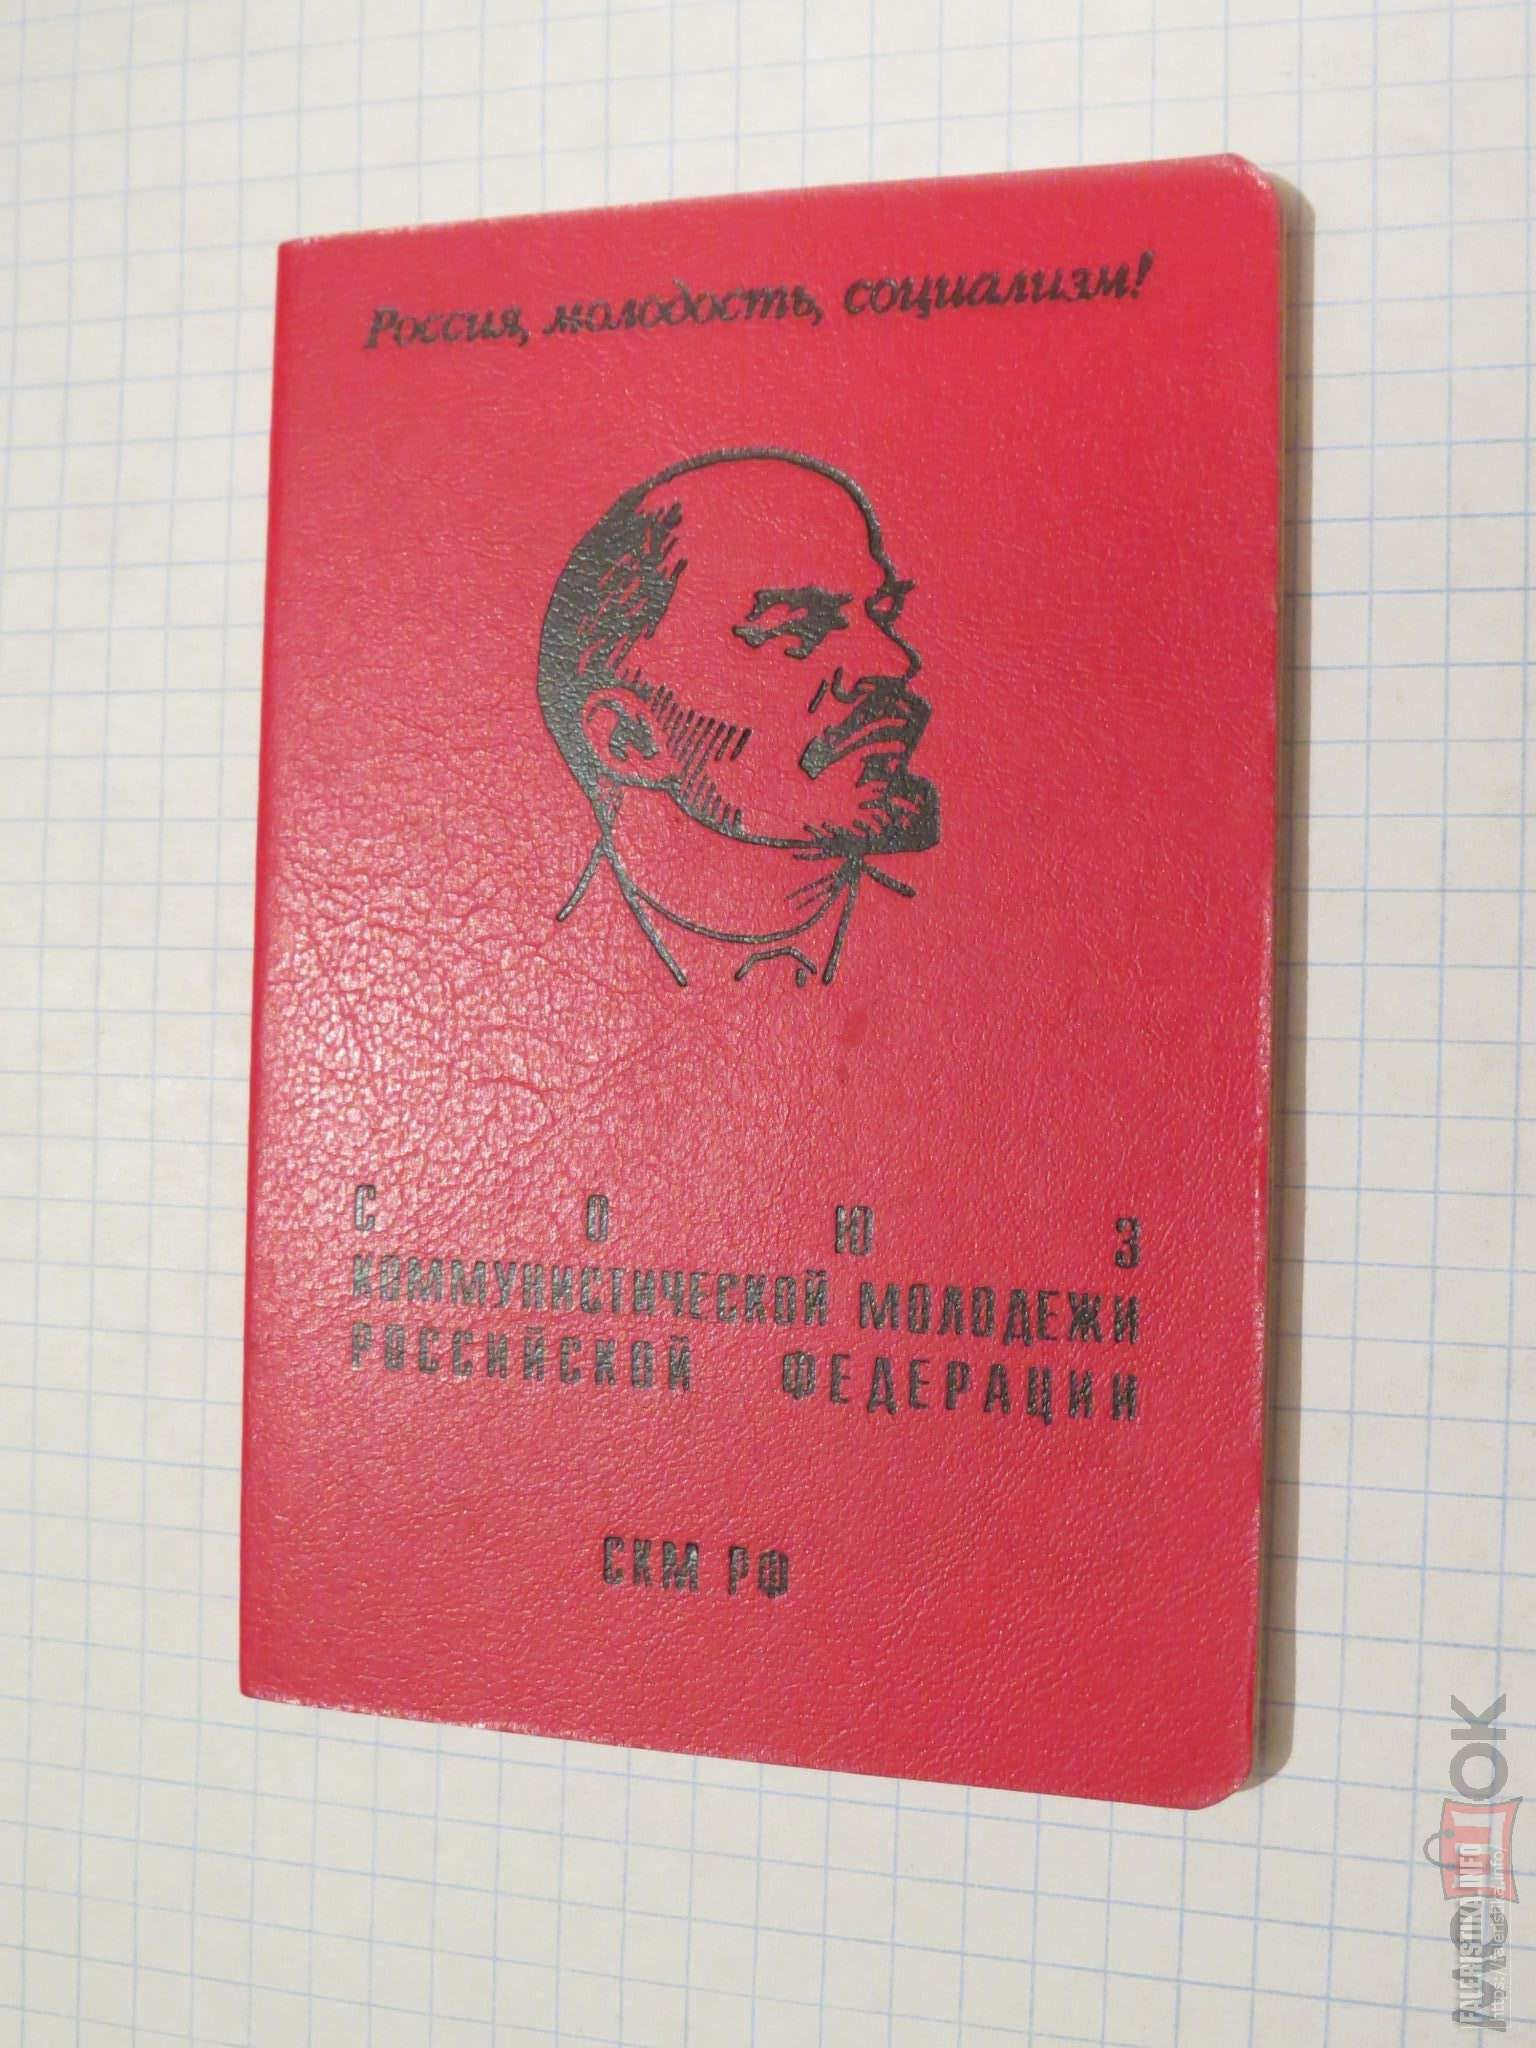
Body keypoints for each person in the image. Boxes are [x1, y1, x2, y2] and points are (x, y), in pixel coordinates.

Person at [538, 447, 939, 988]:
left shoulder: (966, 948)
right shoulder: (537, 978)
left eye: (883, 612)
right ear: (628, 738)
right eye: (801, 630)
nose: (894, 663)